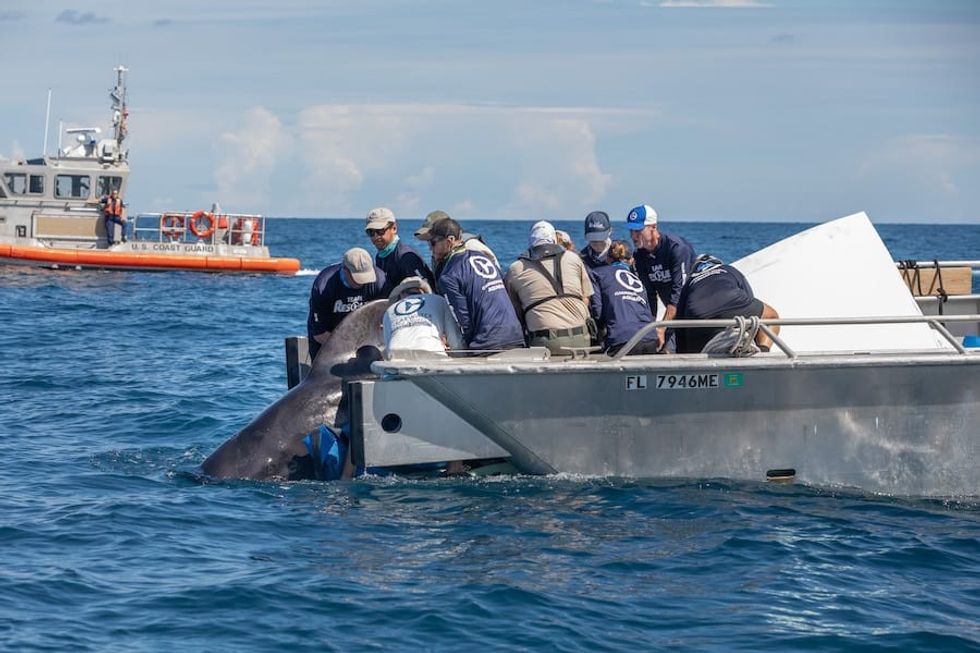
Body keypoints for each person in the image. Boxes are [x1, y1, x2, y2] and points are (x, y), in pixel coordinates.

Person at [428, 218, 524, 354]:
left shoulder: (448, 276)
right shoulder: (484, 257)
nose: (429, 248)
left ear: (450, 240)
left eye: (433, 243)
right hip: (516, 337)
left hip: (487, 343)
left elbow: (463, 322)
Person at [505, 221, 594, 354]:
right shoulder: (574, 259)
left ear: (530, 242)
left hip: (545, 343)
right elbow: (586, 298)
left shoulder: (516, 269)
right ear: (554, 239)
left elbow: (514, 312)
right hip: (582, 338)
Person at [626, 204, 696, 352]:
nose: (633, 236)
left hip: (693, 309)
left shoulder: (675, 248)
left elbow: (679, 294)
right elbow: (650, 296)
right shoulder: (640, 256)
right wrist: (649, 329)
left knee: (670, 349)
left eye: (638, 231)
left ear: (653, 227)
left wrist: (661, 328)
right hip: (673, 315)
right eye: (631, 230)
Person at [676, 254, 780, 354]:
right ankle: (763, 352)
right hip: (732, 301)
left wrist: (683, 354)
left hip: (698, 315)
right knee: (771, 316)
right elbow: (748, 295)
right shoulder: (729, 269)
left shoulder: (689, 281)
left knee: (694, 352)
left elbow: (679, 321)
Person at [307, 247, 387, 360]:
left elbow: (385, 319)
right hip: (329, 340)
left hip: (366, 339)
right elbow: (319, 334)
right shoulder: (323, 286)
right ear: (345, 270)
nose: (362, 283)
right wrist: (350, 349)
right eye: (358, 279)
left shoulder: (380, 280)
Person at [588, 240, 661, 356]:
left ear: (607, 258)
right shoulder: (638, 281)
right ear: (631, 260)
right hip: (649, 336)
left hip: (621, 339)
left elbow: (598, 311)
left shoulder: (597, 274)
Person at [383, 276, 464, 359]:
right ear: (424, 292)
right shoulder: (439, 300)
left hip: (396, 355)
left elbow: (387, 343)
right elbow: (455, 342)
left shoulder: (389, 310)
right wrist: (461, 357)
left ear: (401, 294)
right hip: (431, 352)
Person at [364, 206, 435, 293]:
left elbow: (426, 291)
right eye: (371, 232)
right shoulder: (380, 256)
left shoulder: (406, 257)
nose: (376, 237)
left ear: (394, 228)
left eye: (380, 231)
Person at [415, 209, 499, 271]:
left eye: (433, 241)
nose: (430, 248)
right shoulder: (441, 254)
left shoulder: (473, 248)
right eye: (429, 242)